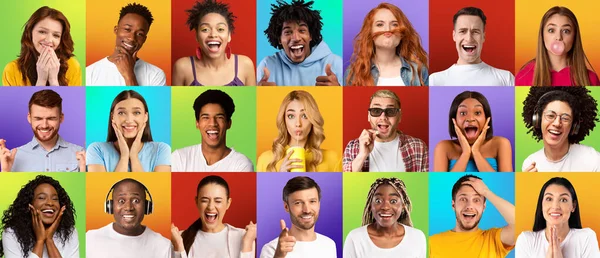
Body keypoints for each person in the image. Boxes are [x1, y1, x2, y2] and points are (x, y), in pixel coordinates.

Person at [257, 0, 343, 86]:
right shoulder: (267, 65)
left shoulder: (334, 63)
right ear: (279, 39)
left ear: (311, 35)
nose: (296, 38)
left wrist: (337, 91)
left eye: (302, 31)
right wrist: (259, 94)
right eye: (288, 32)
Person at [171, 0, 256, 86]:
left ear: (229, 35)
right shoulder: (182, 67)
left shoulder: (245, 65)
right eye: (205, 29)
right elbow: (177, 100)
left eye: (220, 29)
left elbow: (252, 99)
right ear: (196, 36)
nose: (213, 35)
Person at [429, 175, 515, 257]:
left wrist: (486, 192)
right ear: (453, 205)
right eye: (463, 199)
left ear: (483, 207)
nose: (469, 206)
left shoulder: (493, 240)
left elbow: (519, 223)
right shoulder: (431, 243)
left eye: (476, 200)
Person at [171, 175, 256, 258]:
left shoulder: (244, 237)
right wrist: (178, 245)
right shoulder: (179, 238)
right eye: (204, 200)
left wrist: (247, 243)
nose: (210, 207)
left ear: (228, 203)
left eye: (218, 201)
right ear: (197, 202)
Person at [0, 89, 85, 172]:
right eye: (38, 118)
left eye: (51, 118)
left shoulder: (81, 153)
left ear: (61, 118)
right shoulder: (12, 157)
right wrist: (5, 172)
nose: (44, 125)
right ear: (29, 118)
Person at [342, 90, 428, 172]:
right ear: (369, 116)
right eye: (376, 111)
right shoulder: (352, 147)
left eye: (390, 111)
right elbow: (345, 184)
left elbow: (426, 185)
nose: (383, 117)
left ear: (399, 116)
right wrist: (362, 155)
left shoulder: (418, 147)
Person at [86, 90, 171, 172]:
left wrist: (134, 156)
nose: (129, 120)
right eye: (121, 113)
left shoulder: (161, 150)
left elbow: (156, 187)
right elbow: (101, 187)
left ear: (145, 117)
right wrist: (124, 156)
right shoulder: (96, 150)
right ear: (112, 117)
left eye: (137, 113)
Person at [345, 3, 428, 86]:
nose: (388, 30)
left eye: (394, 24)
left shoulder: (419, 70)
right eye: (380, 24)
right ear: (370, 33)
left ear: (402, 34)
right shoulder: (354, 73)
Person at [256, 90, 341, 172]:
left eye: (304, 115)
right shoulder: (266, 160)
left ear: (313, 120)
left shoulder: (332, 159)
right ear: (284, 120)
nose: (298, 124)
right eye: (291, 116)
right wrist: (280, 177)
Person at [516, 177, 600, 257]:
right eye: (549, 199)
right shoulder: (526, 240)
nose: (555, 206)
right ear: (541, 204)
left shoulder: (586, 238)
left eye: (563, 200)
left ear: (573, 206)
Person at [515, 6, 600, 86]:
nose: (559, 37)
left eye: (566, 31)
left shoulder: (591, 79)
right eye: (551, 30)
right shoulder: (523, 77)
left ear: (574, 36)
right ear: (542, 35)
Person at [429, 7, 514, 86]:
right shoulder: (435, 80)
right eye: (462, 31)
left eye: (475, 32)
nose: (469, 39)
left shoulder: (506, 78)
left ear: (483, 36)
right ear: (454, 36)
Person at [86, 178, 171, 258]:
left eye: (136, 201)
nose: (128, 207)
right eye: (121, 201)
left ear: (147, 206)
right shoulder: (89, 239)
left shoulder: (163, 246)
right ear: (110, 206)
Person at [171, 90, 253, 172]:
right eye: (206, 117)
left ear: (229, 123)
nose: (213, 123)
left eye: (219, 117)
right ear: (197, 123)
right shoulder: (179, 158)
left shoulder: (241, 165)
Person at [521, 87, 600, 172]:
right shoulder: (530, 164)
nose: (557, 123)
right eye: (550, 116)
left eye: (565, 118)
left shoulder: (593, 160)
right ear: (538, 120)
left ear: (574, 126)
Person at [86, 3, 166, 86]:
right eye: (127, 29)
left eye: (140, 34)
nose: (132, 38)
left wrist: (129, 75)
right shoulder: (89, 73)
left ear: (144, 39)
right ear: (116, 30)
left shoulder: (156, 74)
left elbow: (138, 99)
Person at [343, 178, 426, 258]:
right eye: (378, 201)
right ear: (370, 205)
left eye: (393, 201)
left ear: (403, 205)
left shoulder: (417, 238)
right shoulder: (355, 238)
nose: (385, 207)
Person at [433, 91, 513, 172]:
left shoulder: (501, 144)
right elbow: (442, 184)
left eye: (477, 113)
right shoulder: (443, 147)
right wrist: (466, 153)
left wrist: (476, 152)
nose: (470, 118)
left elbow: (504, 183)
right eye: (463, 113)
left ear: (487, 118)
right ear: (454, 119)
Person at [0, 175, 79, 258]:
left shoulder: (70, 232)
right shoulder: (12, 233)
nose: (50, 203)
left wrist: (49, 240)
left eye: (55, 199)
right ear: (29, 204)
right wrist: (40, 241)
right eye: (41, 198)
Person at [259, 176, 336, 258]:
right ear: (286, 207)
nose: (307, 210)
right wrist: (279, 256)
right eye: (298, 203)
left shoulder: (329, 245)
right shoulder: (272, 249)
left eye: (312, 201)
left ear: (319, 204)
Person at [2, 6, 81, 86]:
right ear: (30, 32)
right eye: (42, 32)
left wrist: (53, 80)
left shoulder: (72, 66)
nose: (49, 40)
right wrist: (41, 80)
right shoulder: (12, 70)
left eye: (56, 35)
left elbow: (70, 99)